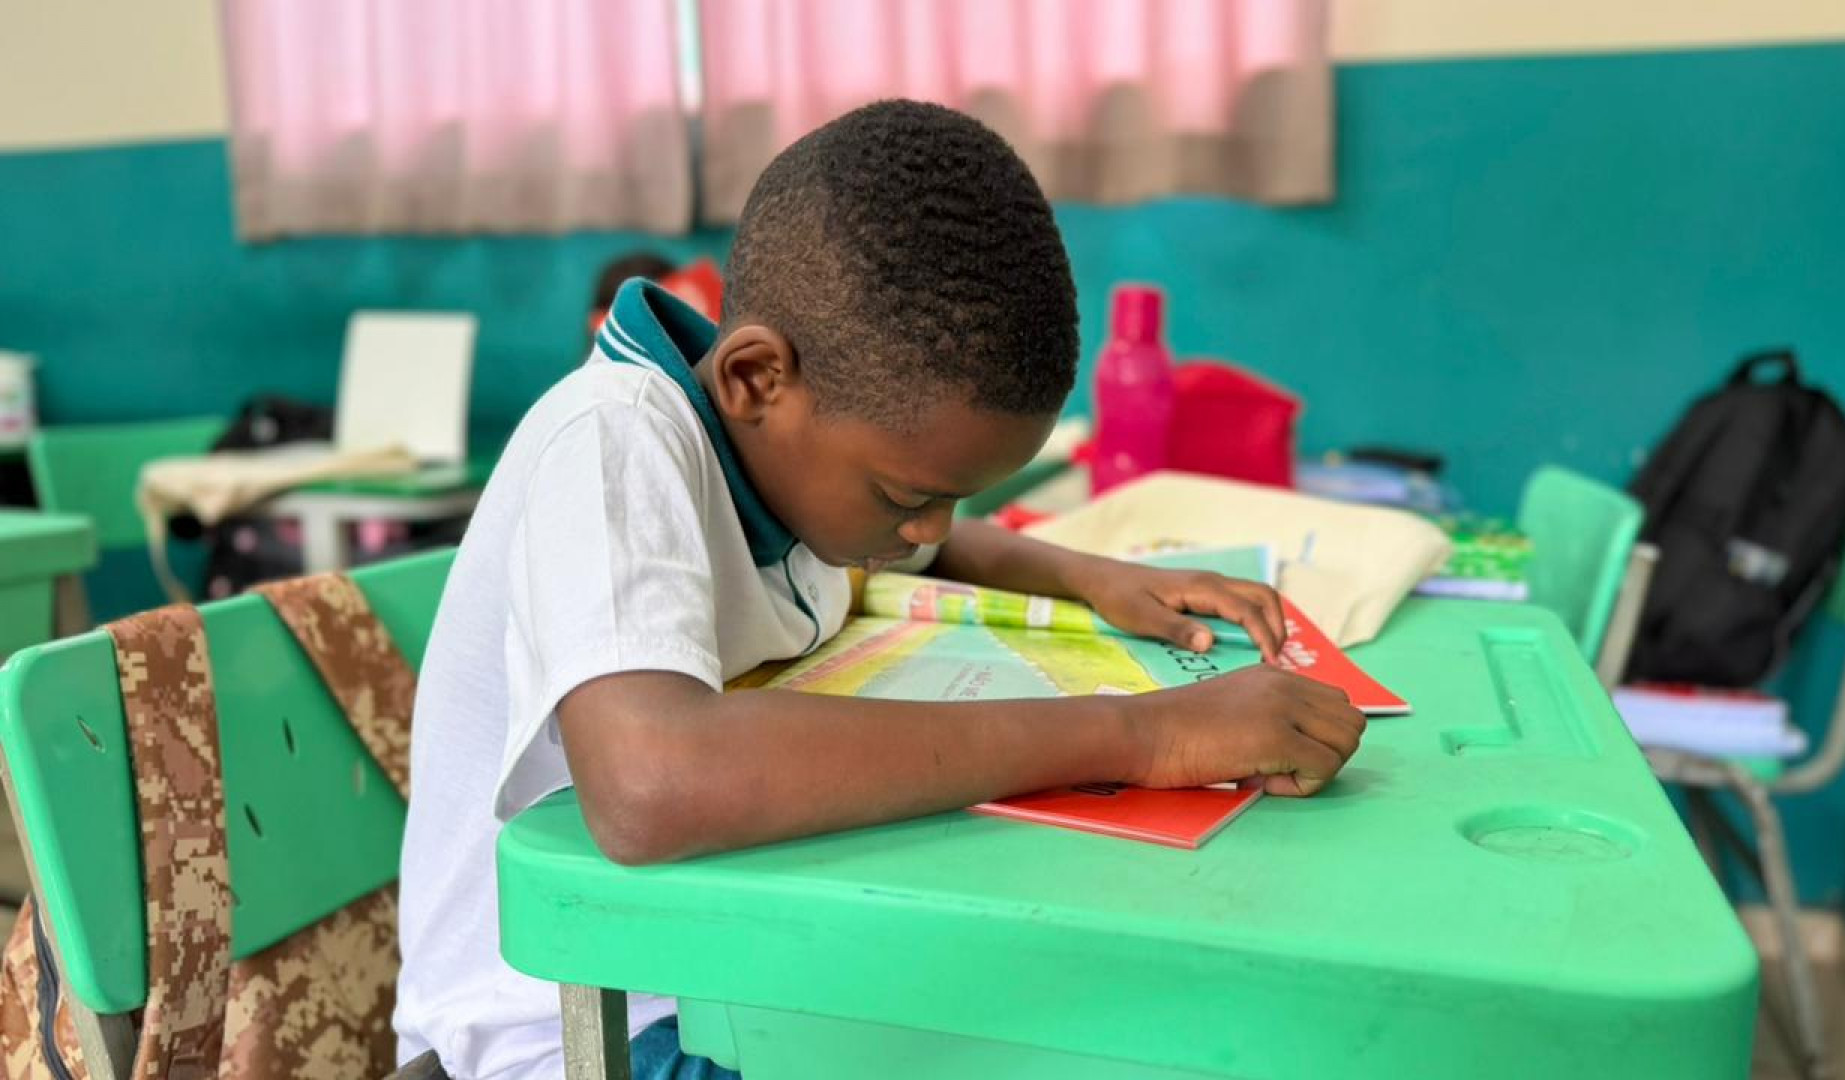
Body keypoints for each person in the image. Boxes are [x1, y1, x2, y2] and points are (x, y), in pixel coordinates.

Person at [395, 99, 1365, 1080]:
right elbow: (654, 783)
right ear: (757, 378)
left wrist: (1092, 576)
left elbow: (923, 546)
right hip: (572, 1023)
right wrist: (1142, 732)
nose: (927, 528)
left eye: (952, 498)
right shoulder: (609, 444)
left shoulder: (786, 461)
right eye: (908, 494)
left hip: (717, 956)